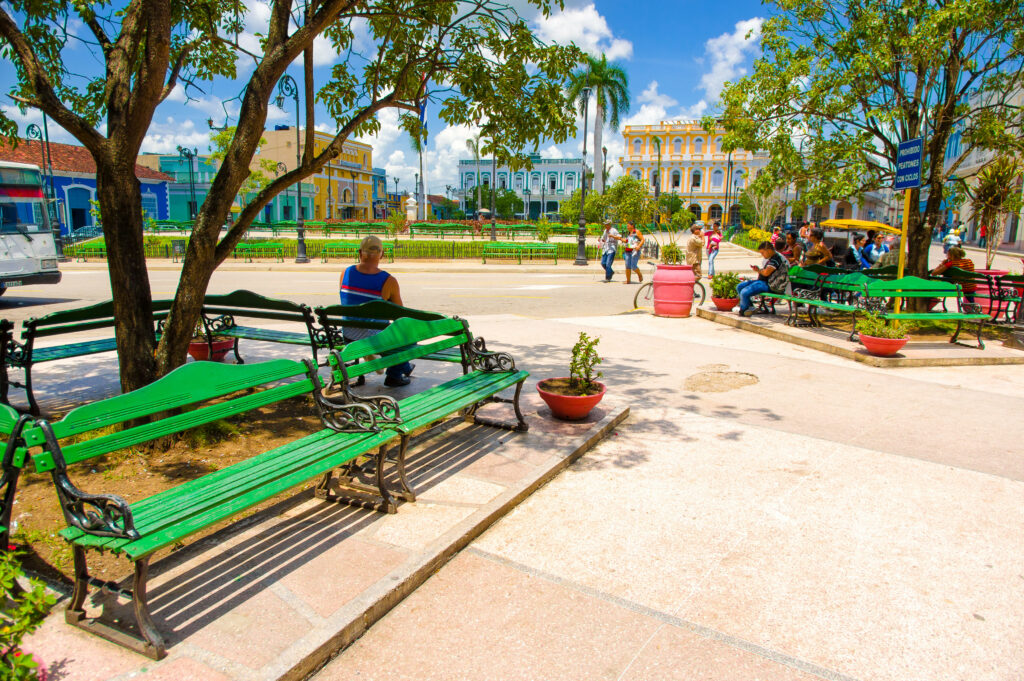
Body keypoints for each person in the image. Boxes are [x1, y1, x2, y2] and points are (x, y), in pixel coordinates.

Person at [339, 235, 414, 387]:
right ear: (382, 254)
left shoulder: (345, 273)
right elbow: (400, 315)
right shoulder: (388, 281)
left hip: (349, 336)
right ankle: (395, 374)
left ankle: (404, 366)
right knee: (410, 339)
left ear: (360, 253)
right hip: (375, 340)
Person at [737, 241, 788, 316]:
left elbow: (766, 272)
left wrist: (758, 270)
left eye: (763, 253)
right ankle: (749, 307)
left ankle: (743, 310)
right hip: (762, 282)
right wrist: (759, 270)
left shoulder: (776, 259)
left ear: (768, 250)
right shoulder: (771, 259)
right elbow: (764, 272)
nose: (762, 255)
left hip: (769, 284)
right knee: (740, 286)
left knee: (745, 292)